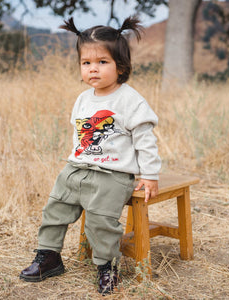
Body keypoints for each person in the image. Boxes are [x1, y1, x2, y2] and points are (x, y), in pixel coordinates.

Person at [19, 16, 161, 294]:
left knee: (100, 221)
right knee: (54, 210)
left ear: (121, 66)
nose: (93, 69)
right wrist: (75, 162)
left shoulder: (130, 101)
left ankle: (107, 267)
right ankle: (49, 256)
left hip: (112, 174)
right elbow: (79, 135)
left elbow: (145, 140)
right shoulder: (83, 99)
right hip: (78, 167)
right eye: (86, 63)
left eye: (102, 62)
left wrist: (149, 174)